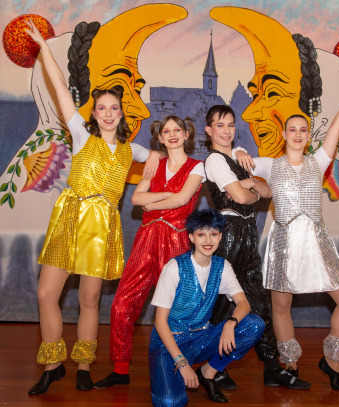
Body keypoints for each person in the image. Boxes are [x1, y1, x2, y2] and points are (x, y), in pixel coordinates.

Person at [25, 19, 163, 395]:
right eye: (101, 107)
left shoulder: (133, 150)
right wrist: (43, 48)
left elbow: (166, 155)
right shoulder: (81, 135)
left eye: (113, 107)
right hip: (70, 216)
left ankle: (83, 365)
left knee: (89, 299)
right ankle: (53, 365)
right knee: (46, 294)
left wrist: (157, 156)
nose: (107, 112)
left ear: (121, 113)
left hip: (101, 226)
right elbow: (58, 86)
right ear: (95, 112)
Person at [247, 74, 339, 391]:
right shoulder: (269, 165)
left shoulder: (318, 162)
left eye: (302, 130)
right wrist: (238, 151)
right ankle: (289, 364)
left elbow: (336, 126)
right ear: (283, 134)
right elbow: (238, 165)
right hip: (284, 244)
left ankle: (332, 362)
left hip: (317, 243)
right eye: (292, 129)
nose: (297, 134)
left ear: (308, 136)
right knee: (281, 307)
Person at [204, 105, 310, 390]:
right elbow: (242, 197)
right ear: (209, 130)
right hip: (229, 234)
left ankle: (272, 368)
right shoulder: (214, 160)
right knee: (224, 302)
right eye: (219, 125)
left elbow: (268, 192)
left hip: (247, 233)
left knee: (259, 302)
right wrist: (250, 189)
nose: (226, 130)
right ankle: (213, 367)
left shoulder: (239, 158)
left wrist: (250, 183)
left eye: (230, 124)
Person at [94, 115, 205, 388]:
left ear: (186, 134)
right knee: (122, 303)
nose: (172, 134)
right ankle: (121, 369)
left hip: (176, 242)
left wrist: (152, 204)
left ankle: (177, 367)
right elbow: (135, 198)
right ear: (160, 138)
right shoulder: (154, 164)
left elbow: (183, 199)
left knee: (178, 309)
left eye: (177, 129)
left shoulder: (197, 166)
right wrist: (164, 196)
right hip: (145, 240)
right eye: (166, 131)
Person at [149, 209, 265, 406]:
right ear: (191, 238)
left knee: (254, 325)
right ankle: (176, 372)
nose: (208, 240)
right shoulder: (174, 267)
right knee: (169, 403)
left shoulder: (222, 266)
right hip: (169, 343)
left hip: (202, 337)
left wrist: (230, 323)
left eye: (213, 234)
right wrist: (182, 363)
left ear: (220, 236)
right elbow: (160, 322)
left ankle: (208, 372)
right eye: (201, 234)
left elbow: (244, 304)